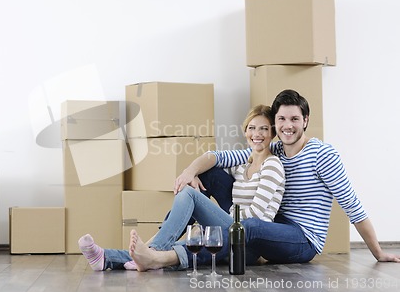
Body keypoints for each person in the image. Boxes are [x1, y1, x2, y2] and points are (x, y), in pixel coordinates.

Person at [172, 89, 400, 266]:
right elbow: (220, 156)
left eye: (294, 119)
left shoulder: (322, 155)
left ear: (305, 120)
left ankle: (171, 256)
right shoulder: (275, 149)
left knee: (248, 227)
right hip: (273, 227)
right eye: (281, 119)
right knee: (211, 175)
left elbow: (352, 205)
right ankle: (161, 245)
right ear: (275, 123)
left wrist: (378, 252)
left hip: (302, 239)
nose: (287, 126)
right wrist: (189, 172)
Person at [78, 104, 285, 271]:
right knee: (182, 234)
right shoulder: (242, 165)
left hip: (248, 242)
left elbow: (256, 216)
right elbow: (214, 160)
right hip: (231, 229)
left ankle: (153, 247)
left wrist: (221, 215)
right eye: (252, 128)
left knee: (189, 195)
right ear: (245, 130)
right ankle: (104, 258)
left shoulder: (272, 165)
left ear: (272, 134)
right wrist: (191, 173)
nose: (257, 134)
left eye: (264, 129)